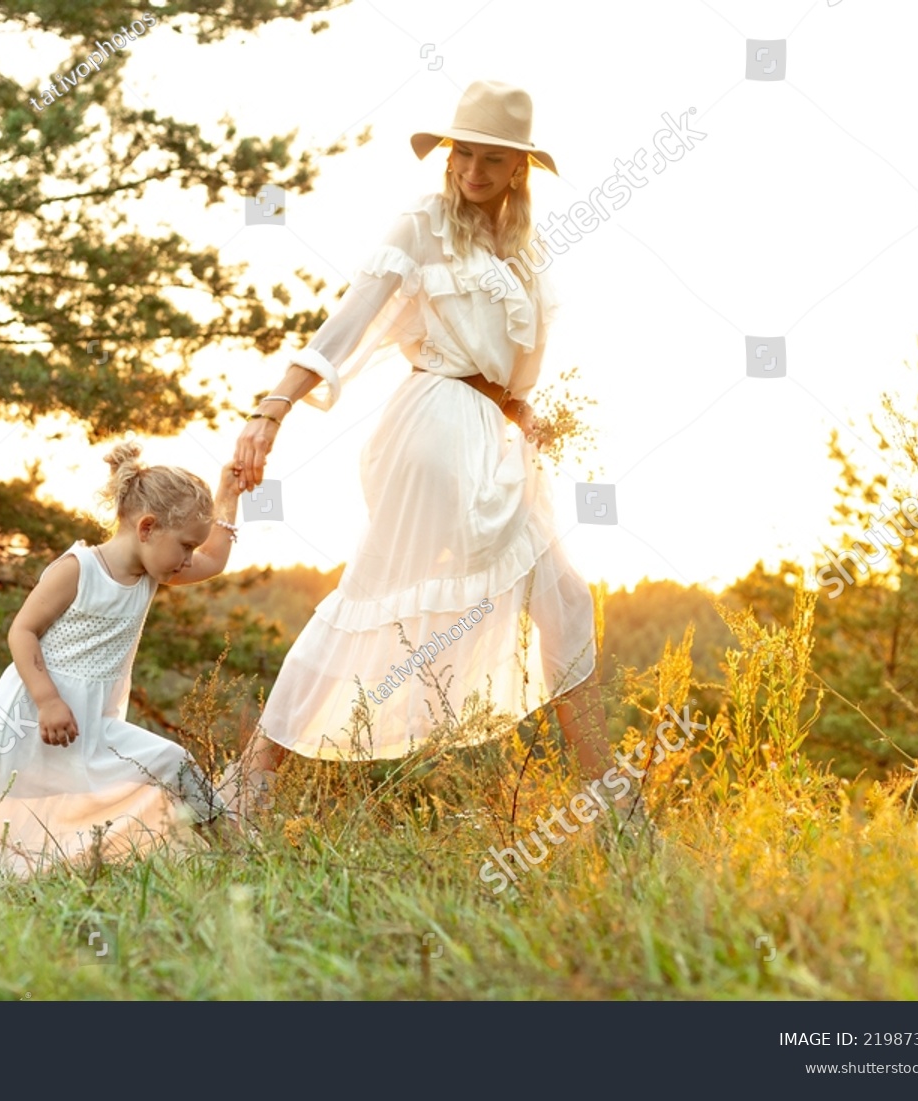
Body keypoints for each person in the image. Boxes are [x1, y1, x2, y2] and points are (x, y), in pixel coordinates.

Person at [225, 81, 649, 836]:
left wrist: (520, 409)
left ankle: (611, 806)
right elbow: (347, 322)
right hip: (431, 430)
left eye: (492, 159)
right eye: (463, 154)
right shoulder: (423, 224)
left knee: (521, 601)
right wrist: (273, 406)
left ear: (519, 169)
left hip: (491, 433)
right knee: (391, 599)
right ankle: (613, 802)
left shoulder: (522, 246)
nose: (473, 172)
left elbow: (499, 360)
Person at [0, 441, 242, 883]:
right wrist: (48, 701)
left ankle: (241, 855)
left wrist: (230, 491)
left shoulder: (154, 571)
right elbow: (22, 631)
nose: (190, 558)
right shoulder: (79, 569)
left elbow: (213, 560)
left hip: (94, 724)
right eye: (186, 545)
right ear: (148, 527)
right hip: (26, 716)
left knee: (175, 762)